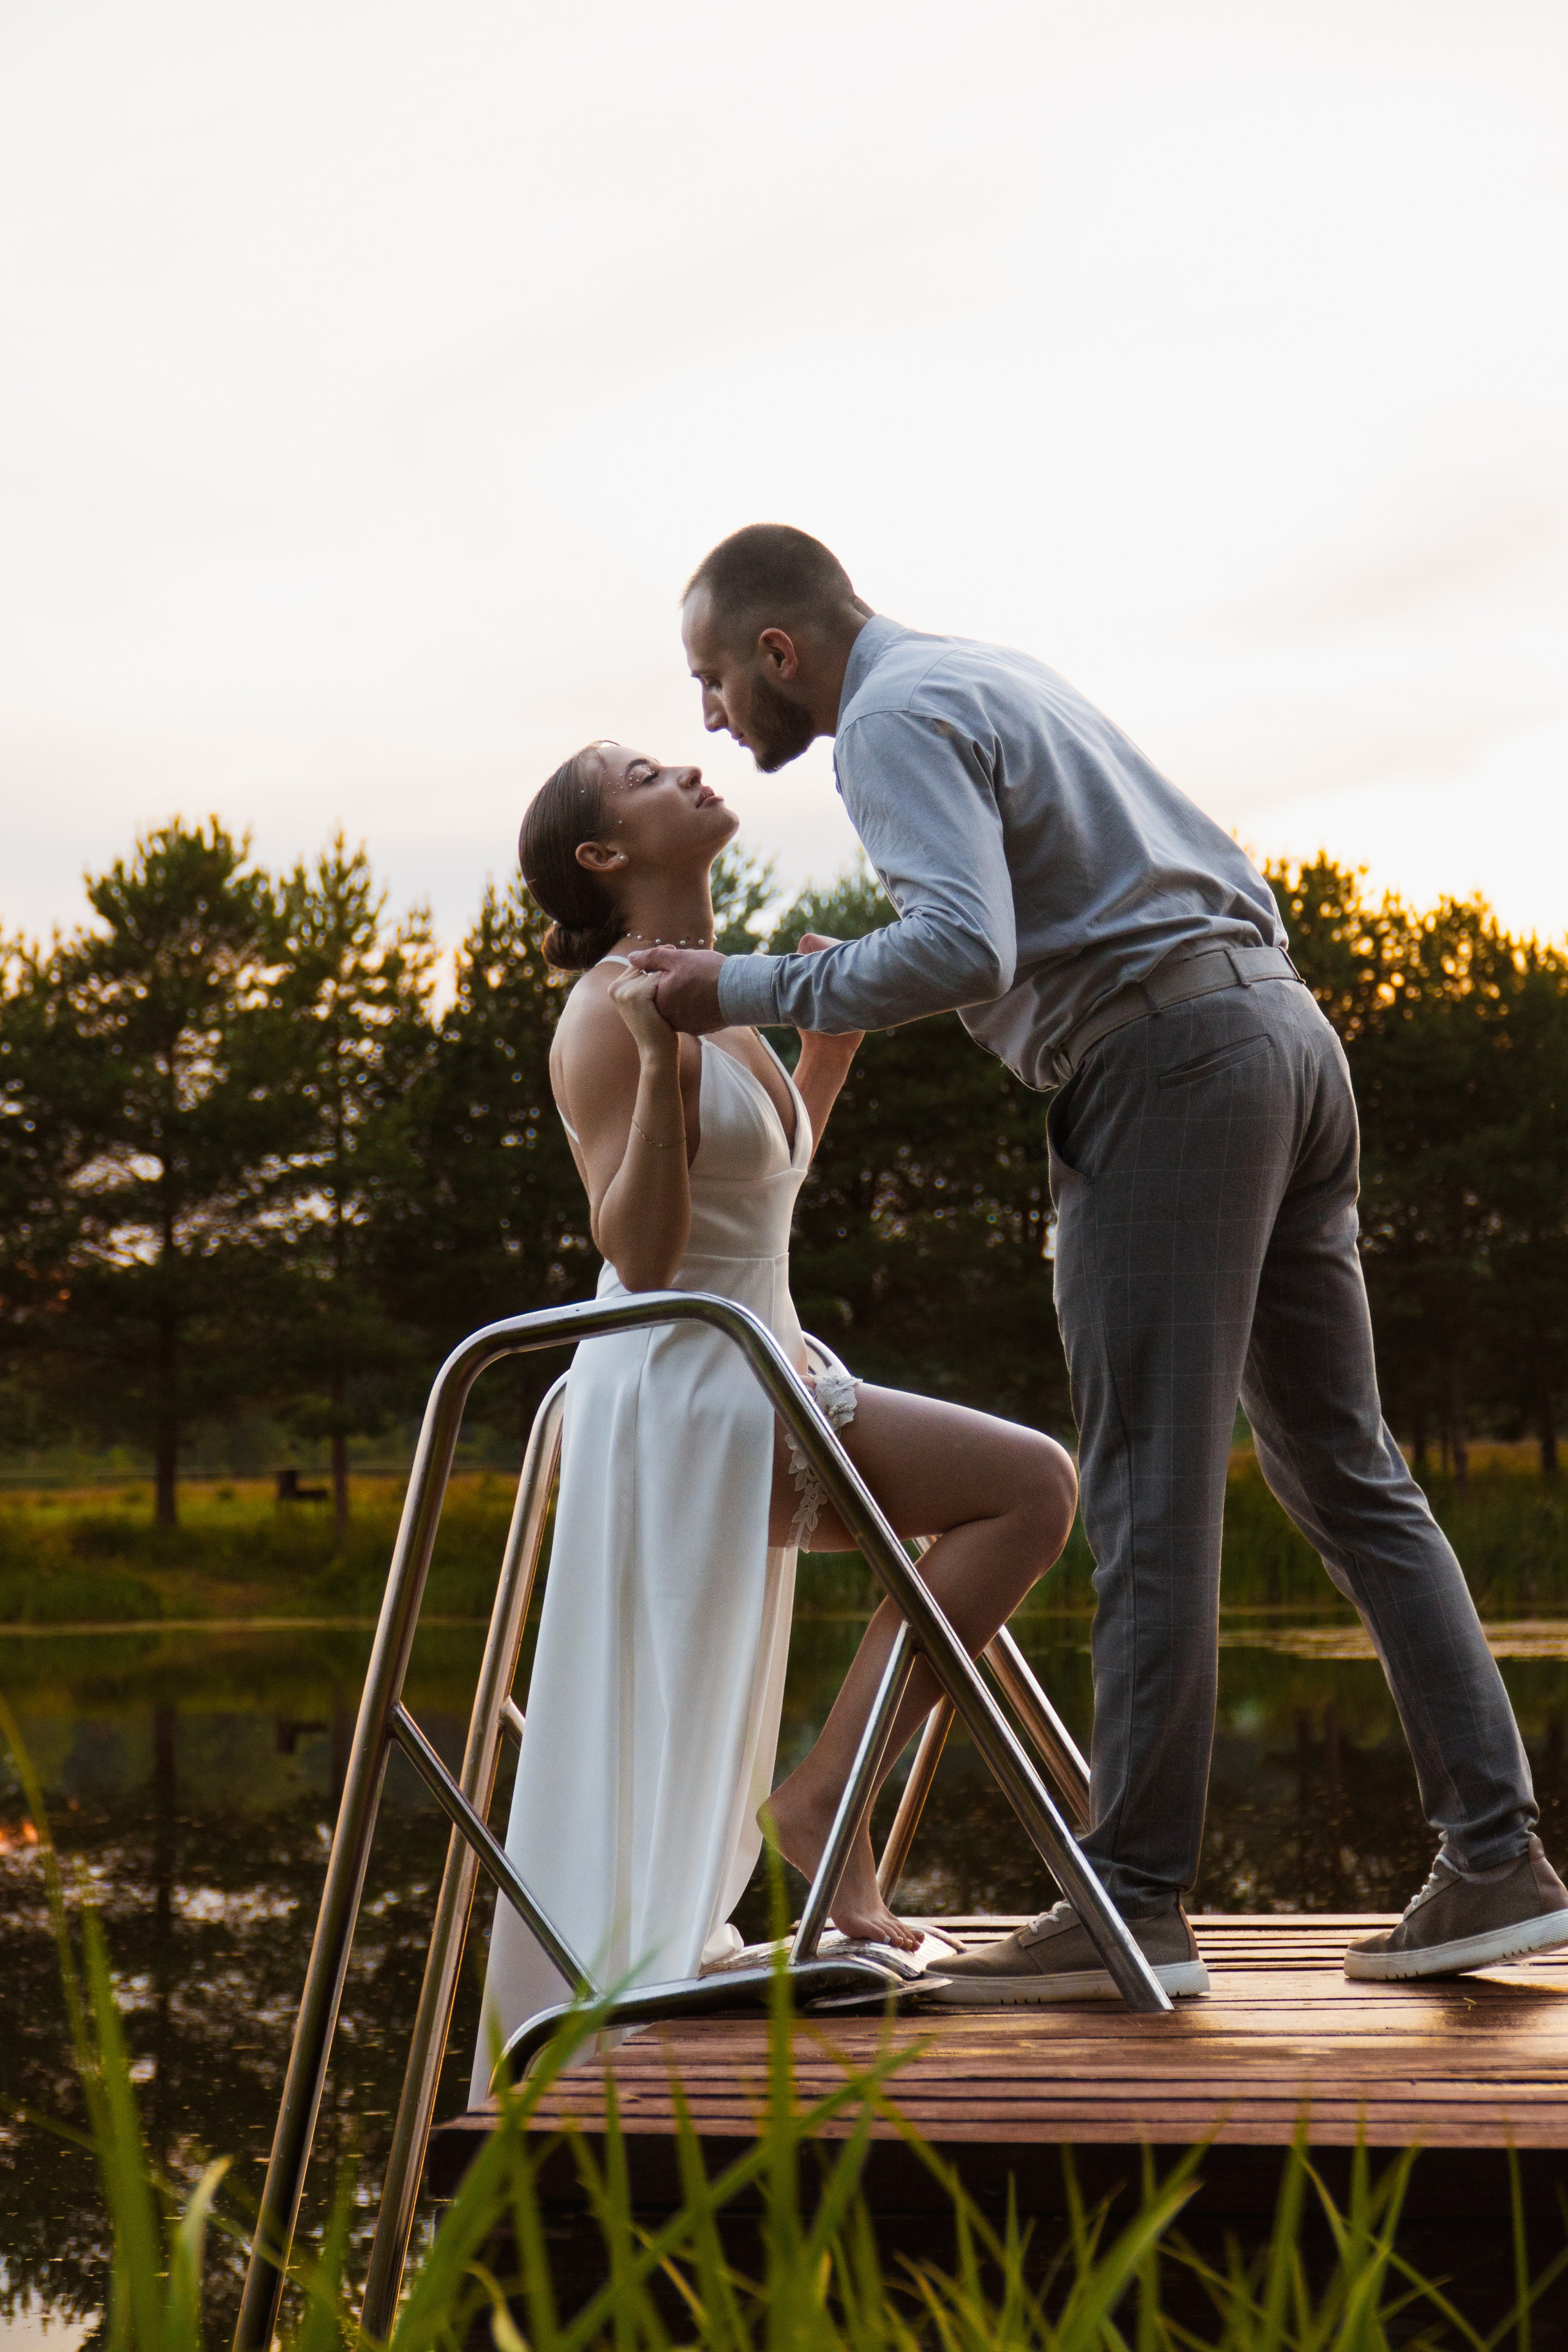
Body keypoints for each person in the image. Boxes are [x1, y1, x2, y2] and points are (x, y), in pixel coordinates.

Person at [626, 522, 1568, 2000]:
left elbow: (963, 949)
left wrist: (731, 983)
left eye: (711, 681)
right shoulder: (984, 674)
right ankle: (1493, 1860)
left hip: (1168, 1069)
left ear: (776, 653)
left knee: (1143, 1487)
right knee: (1346, 1473)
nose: (708, 717)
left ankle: (1129, 1895)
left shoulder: (882, 721)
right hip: (1277, 1034)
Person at [472, 739, 1080, 2089]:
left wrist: (829, 1057)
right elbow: (638, 1253)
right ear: (601, 856)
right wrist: (652, 1062)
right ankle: (826, 1804)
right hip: (688, 1389)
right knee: (1026, 1487)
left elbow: (760, 1194)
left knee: (1018, 1493)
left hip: (763, 1358)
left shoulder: (716, 991)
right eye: (643, 773)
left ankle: (827, 1808)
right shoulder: (606, 1013)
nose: (685, 765)